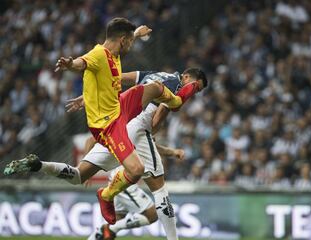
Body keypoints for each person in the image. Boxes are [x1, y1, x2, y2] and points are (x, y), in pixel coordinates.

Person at [9, 17, 200, 225]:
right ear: (122, 40)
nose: (130, 46)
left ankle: (37, 165)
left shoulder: (115, 52)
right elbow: (82, 63)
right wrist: (70, 64)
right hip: (108, 126)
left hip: (120, 108)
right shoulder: (98, 54)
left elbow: (111, 77)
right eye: (129, 41)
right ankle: (107, 195)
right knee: (136, 169)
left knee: (153, 87)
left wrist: (136, 33)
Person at [4, 68, 207, 240]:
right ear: (187, 77)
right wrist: (151, 134)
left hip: (116, 125)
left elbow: (120, 78)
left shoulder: (155, 74)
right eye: (196, 87)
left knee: (78, 175)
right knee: (159, 190)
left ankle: (39, 165)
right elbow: (156, 120)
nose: (194, 93)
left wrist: (89, 96)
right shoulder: (177, 85)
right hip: (137, 128)